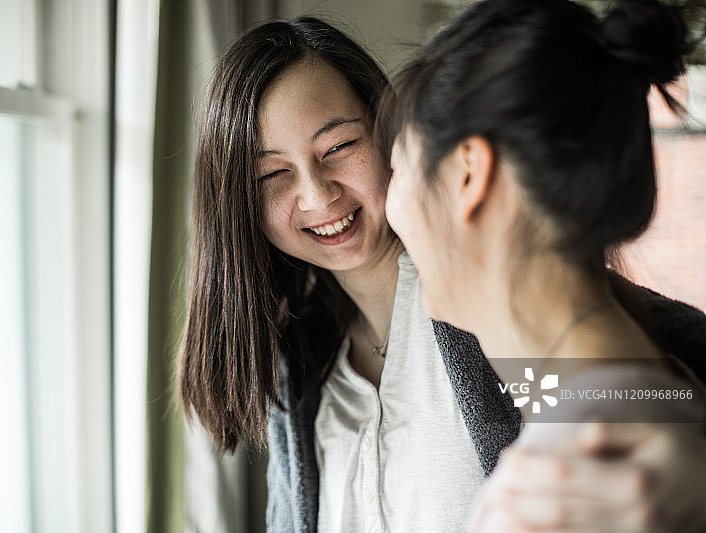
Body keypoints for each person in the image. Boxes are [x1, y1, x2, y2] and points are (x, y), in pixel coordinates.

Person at [177, 15, 706, 533]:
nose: (318, 196)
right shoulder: (301, 362)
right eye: (272, 173)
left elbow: (615, 387)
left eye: (341, 147)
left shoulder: (500, 329)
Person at [381, 0, 706, 531]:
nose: (388, 209)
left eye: (397, 168)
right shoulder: (670, 393)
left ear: (469, 174)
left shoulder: (551, 500)